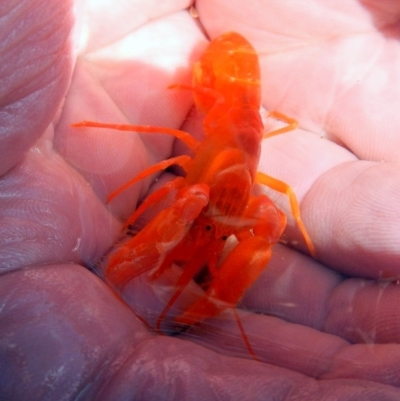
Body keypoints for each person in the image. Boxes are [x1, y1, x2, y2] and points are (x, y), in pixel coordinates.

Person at [1, 0, 400, 399]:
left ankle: (201, 293)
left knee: (258, 221)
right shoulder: (196, 181)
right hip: (226, 71)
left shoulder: (243, 195)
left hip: (239, 99)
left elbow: (267, 210)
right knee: (194, 199)